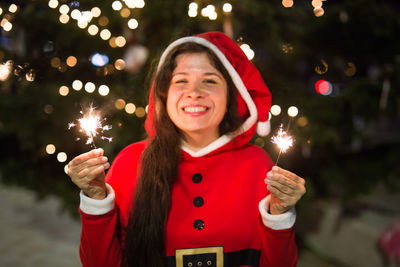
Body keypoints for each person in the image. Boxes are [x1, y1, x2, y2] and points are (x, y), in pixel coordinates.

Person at [67, 31, 306, 267]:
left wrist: (280, 215)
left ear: (231, 95)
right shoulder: (130, 162)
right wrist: (96, 200)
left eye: (209, 81)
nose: (194, 92)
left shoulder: (258, 165)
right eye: (181, 81)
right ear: (163, 93)